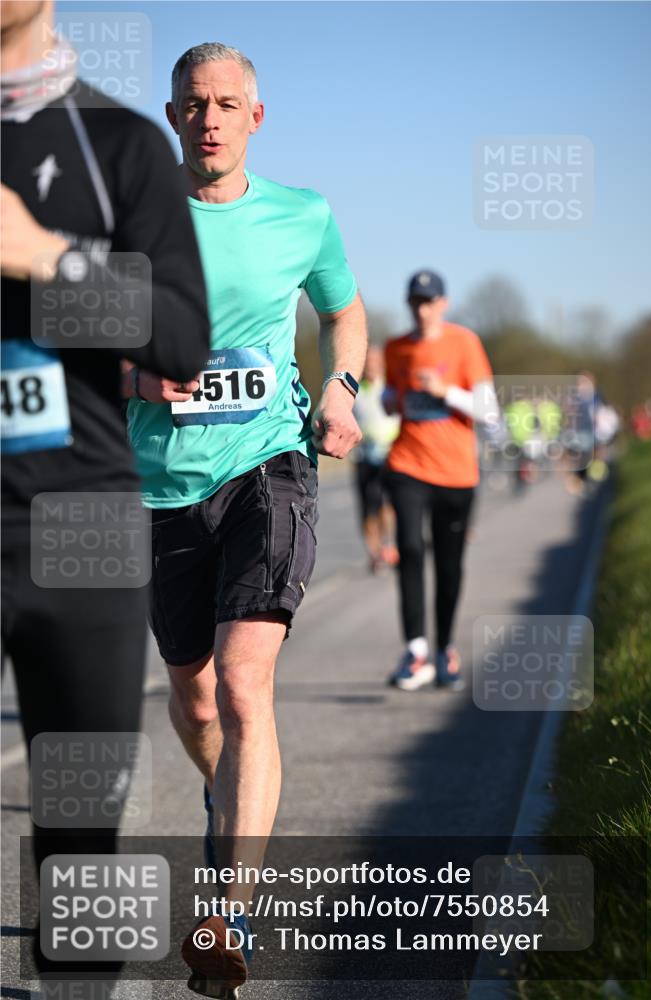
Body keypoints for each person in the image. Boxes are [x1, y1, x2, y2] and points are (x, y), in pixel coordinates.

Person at [122, 42, 366, 995]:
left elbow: (344, 314)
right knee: (193, 703)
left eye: (228, 104)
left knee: (242, 680)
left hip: (269, 466)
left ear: (255, 116)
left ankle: (231, 910)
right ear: (173, 116)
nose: (211, 119)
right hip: (159, 490)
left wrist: (340, 389)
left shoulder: (304, 215)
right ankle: (225, 801)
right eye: (194, 104)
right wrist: (138, 378)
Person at [0, 0, 209, 982]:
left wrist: (47, 257)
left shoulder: (120, 142)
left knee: (80, 853)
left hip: (80, 528)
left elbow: (180, 340)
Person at [383, 270, 498, 692]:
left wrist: (446, 390)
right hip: (408, 464)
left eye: (429, 301)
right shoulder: (396, 347)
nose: (422, 309)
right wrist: (391, 399)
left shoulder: (465, 343)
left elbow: (489, 410)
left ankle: (445, 647)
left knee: (449, 565)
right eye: (415, 301)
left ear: (443, 304)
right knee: (410, 549)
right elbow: (389, 396)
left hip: (455, 472)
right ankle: (415, 650)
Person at [351, 345, 400, 571]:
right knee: (367, 507)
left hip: (389, 455)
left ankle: (388, 546)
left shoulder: (390, 387)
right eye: (367, 360)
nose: (371, 365)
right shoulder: (354, 391)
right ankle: (373, 553)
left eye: (375, 360)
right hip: (363, 456)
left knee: (387, 505)